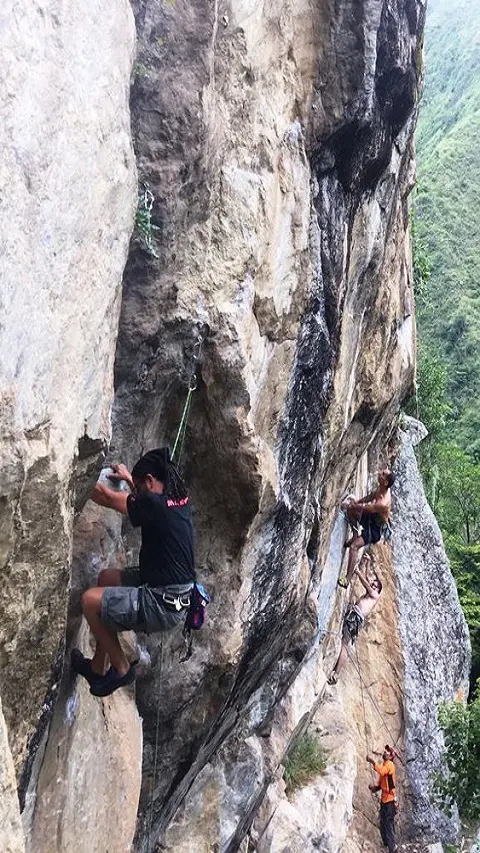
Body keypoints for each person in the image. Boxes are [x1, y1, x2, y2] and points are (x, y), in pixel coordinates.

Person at [71, 447, 196, 697]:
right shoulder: (178, 497)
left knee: (89, 601)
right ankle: (97, 666)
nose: (136, 490)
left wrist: (73, 475)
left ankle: (121, 668)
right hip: (170, 588)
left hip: (162, 603)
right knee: (107, 579)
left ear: (150, 481)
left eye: (140, 485)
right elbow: (146, 499)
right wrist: (130, 479)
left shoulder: (153, 505)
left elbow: (106, 497)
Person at [327, 553, 381, 684]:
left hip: (355, 619)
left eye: (375, 586)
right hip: (354, 616)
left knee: (345, 644)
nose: (373, 585)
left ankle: (336, 673)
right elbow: (368, 579)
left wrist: (356, 571)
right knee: (344, 640)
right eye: (373, 584)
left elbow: (366, 583)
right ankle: (336, 672)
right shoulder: (371, 592)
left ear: (378, 590)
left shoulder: (375, 595)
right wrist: (367, 562)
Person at [338, 468, 395, 587]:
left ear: (385, 482)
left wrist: (352, 504)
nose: (380, 473)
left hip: (374, 530)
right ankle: (354, 535)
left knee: (354, 547)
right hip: (371, 517)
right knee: (351, 510)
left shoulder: (383, 503)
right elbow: (371, 496)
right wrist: (356, 502)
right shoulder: (382, 487)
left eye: (383, 474)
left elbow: (366, 508)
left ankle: (347, 579)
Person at [366, 745, 398, 853]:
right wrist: (374, 788)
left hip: (389, 801)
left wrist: (372, 761)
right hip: (385, 800)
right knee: (383, 823)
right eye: (385, 751)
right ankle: (387, 844)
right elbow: (381, 784)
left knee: (388, 824)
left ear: (391, 757)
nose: (385, 752)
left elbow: (381, 771)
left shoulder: (390, 765)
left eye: (388, 752)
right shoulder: (385, 764)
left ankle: (392, 848)